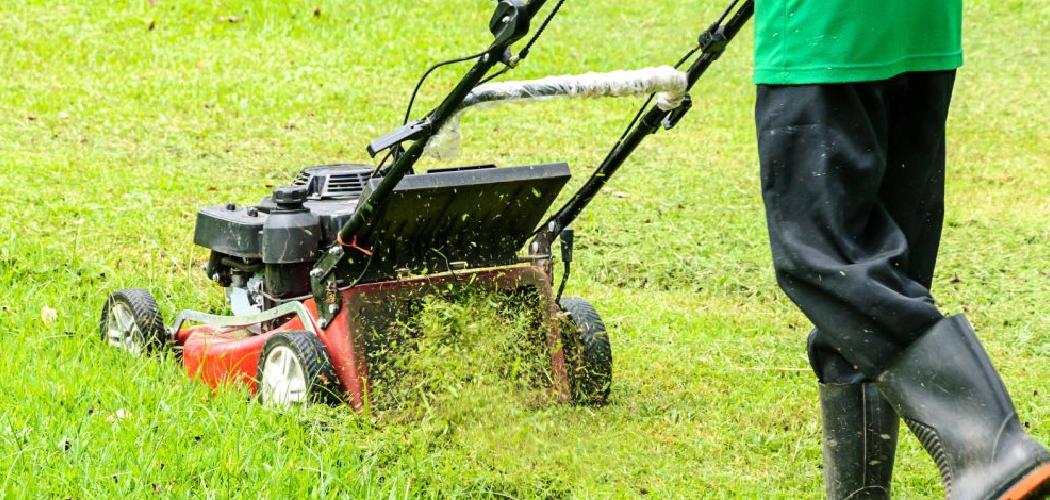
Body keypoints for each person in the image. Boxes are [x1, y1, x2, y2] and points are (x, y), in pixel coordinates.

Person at [752, 1, 1050, 499]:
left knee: (828, 259)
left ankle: (987, 446)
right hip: (922, 30)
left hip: (825, 31)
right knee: (879, 274)